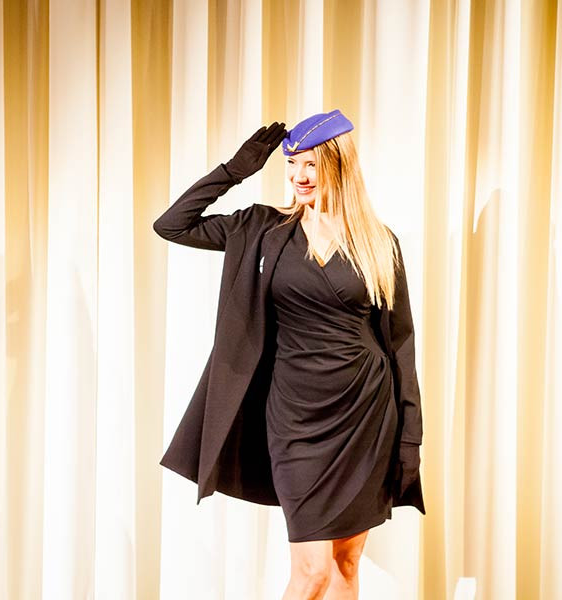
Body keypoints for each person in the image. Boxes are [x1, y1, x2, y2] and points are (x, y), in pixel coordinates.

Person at [153, 110, 424, 600]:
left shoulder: (380, 243)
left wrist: (410, 437)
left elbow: (400, 345)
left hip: (365, 417)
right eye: (291, 164)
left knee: (345, 563)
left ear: (339, 166)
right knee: (312, 572)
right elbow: (172, 225)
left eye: (311, 164)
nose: (299, 176)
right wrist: (235, 170)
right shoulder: (262, 228)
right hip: (295, 420)